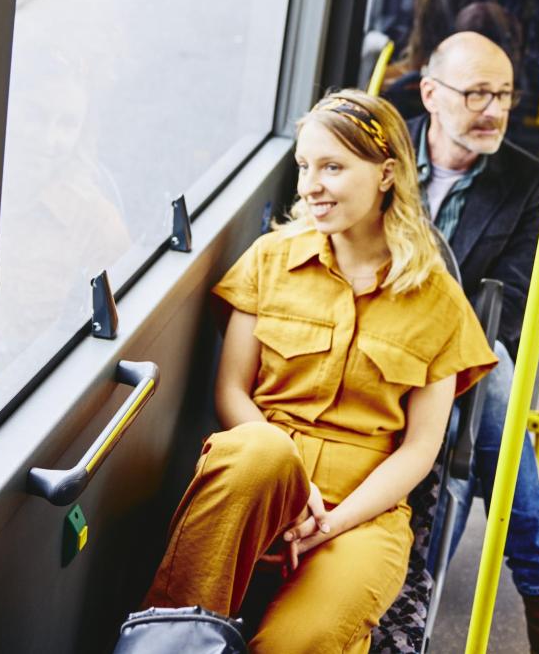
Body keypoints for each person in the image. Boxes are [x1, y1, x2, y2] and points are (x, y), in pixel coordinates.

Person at [143, 89, 498, 653]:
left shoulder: (438, 301)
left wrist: (331, 521)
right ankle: (167, 643)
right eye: (305, 165)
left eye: (332, 167)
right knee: (257, 451)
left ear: (386, 174)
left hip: (361, 513)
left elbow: (419, 449)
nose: (310, 185)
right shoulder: (269, 260)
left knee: (300, 642)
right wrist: (297, 484)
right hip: (264, 478)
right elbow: (231, 391)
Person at [410, 31, 539, 652]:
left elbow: (507, 302)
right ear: (431, 94)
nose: (494, 111)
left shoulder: (528, 180)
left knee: (482, 392)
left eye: (504, 95)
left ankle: (418, 598)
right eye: (477, 93)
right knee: (492, 401)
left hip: (465, 344)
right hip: (370, 333)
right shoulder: (384, 150)